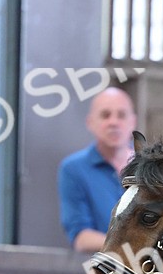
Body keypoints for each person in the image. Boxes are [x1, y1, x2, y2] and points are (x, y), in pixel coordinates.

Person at [58, 87, 136, 252]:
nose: (113, 122)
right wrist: (133, 245)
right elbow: (81, 238)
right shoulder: (73, 169)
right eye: (105, 115)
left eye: (121, 115)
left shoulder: (153, 169)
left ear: (132, 122)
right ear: (90, 122)